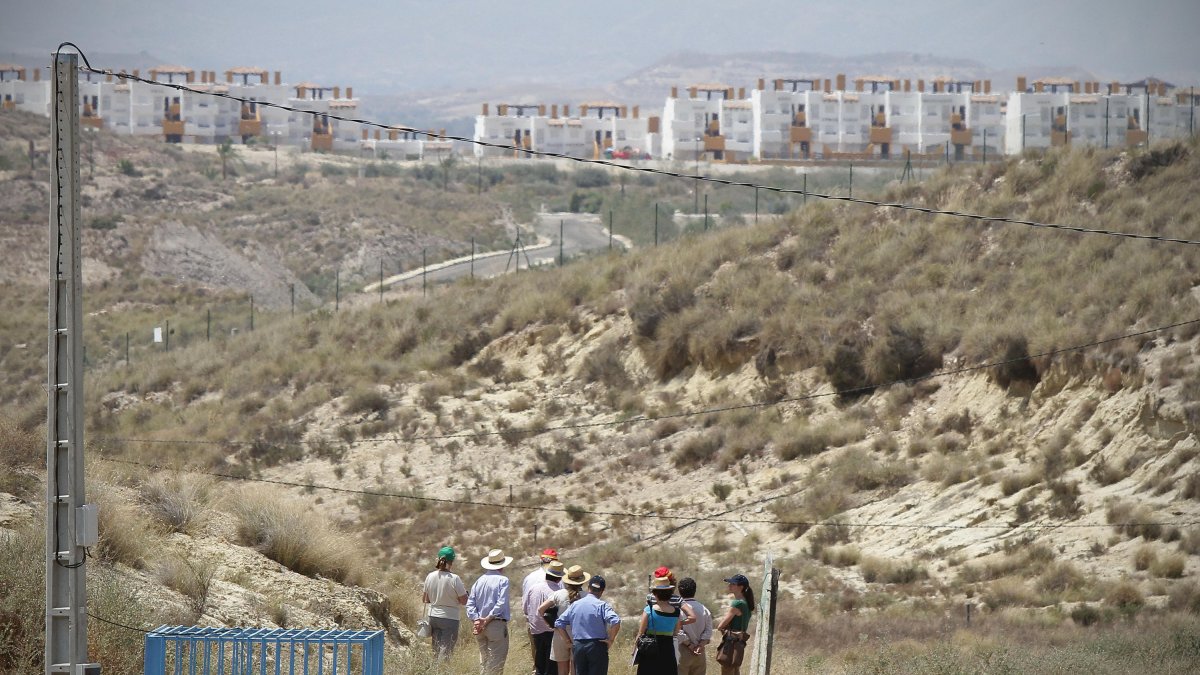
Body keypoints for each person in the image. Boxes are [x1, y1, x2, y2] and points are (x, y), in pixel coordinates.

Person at [554, 575, 621, 675]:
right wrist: (610, 640)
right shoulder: (602, 605)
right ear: (602, 591)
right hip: (597, 646)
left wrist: (568, 641)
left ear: (589, 588)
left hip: (579, 646)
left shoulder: (575, 605)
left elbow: (559, 623)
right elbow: (615, 621)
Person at [466, 549, 514, 675]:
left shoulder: (479, 581)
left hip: (480, 627)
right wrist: (487, 619)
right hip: (495, 624)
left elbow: (470, 603)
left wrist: (477, 620)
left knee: (484, 661)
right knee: (496, 664)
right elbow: (501, 603)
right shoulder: (503, 580)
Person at [538, 565, 588, 675]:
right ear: (582, 581)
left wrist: (551, 625)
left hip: (560, 634)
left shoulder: (559, 594)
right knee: (576, 669)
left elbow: (541, 609)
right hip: (579, 634)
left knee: (562, 671)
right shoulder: (586, 596)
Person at [422, 546, 469, 660]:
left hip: (433, 616)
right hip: (450, 618)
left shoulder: (430, 576)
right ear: (451, 562)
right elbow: (464, 601)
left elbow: (425, 599)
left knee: (436, 650)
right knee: (446, 653)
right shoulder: (454, 578)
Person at [635, 575, 684, 675]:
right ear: (670, 593)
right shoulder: (677, 613)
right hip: (668, 653)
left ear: (655, 594)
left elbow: (640, 633)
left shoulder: (649, 610)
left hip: (649, 652)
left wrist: (635, 650)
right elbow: (676, 631)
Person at [523, 548, 561, 671]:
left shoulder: (529, 578)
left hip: (534, 626)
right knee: (553, 664)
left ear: (541, 560)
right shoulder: (558, 578)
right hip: (554, 628)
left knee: (538, 661)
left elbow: (525, 605)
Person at [713, 574, 755, 675]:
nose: (730, 585)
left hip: (730, 644)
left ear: (741, 587)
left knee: (727, 669)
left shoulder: (737, 603)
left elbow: (720, 626)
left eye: (733, 584)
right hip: (738, 644)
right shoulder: (746, 603)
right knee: (735, 670)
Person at [674, 578, 713, 675]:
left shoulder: (678, 609)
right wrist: (700, 645)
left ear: (679, 591)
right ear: (695, 590)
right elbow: (708, 631)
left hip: (682, 651)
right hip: (700, 652)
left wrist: (689, 645)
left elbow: (677, 630)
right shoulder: (704, 609)